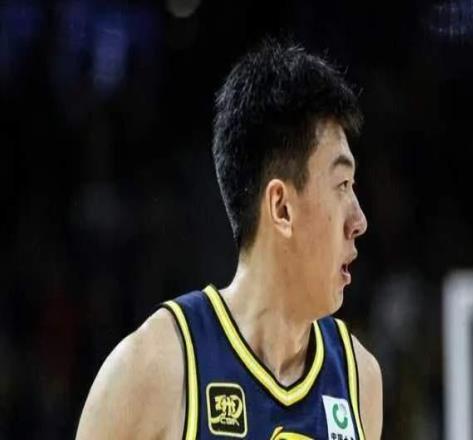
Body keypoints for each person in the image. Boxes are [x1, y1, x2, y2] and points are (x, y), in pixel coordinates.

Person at [76, 39, 383, 440]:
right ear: (281, 207)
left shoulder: (360, 382)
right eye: (341, 185)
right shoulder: (156, 370)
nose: (359, 220)